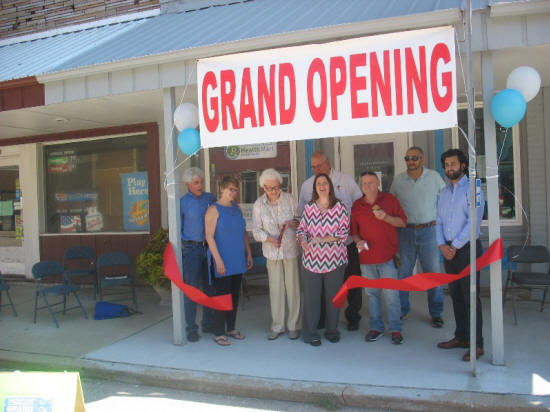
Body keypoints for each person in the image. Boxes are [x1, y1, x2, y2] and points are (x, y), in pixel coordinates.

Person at [298, 151, 362, 331]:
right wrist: (304, 239)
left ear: (328, 163)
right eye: (313, 167)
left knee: (352, 282)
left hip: (346, 244)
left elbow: (359, 206)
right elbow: (302, 215)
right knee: (322, 289)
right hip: (317, 254)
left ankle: (353, 317)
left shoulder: (346, 180)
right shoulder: (307, 186)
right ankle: (322, 320)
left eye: (319, 166)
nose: (316, 170)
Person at [436, 149, 485, 361]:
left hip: (467, 250)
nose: (450, 168)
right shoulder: (444, 192)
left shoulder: (474, 188)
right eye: (447, 164)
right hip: (448, 251)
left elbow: (474, 222)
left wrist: (454, 246)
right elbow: (438, 221)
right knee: (456, 296)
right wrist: (441, 245)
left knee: (470, 297)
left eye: (453, 164)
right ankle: (462, 337)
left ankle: (477, 344)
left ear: (463, 165)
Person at [390, 146, 446, 327]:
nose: (410, 161)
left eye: (414, 158)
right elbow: (391, 206)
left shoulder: (434, 177)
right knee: (403, 274)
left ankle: (436, 313)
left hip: (429, 231)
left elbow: (446, 201)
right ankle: (402, 310)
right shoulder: (398, 180)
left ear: (422, 159)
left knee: (432, 274)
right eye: (407, 158)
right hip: (405, 232)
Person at [351, 172, 407, 344]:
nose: (367, 186)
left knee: (391, 295)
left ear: (378, 184)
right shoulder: (357, 205)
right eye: (364, 183)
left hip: (387, 257)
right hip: (367, 259)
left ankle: (395, 329)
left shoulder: (389, 200)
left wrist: (386, 217)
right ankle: (376, 327)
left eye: (370, 182)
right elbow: (354, 232)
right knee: (372, 295)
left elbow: (403, 222)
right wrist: (358, 242)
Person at [297, 173, 349, 346]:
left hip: (335, 260)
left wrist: (322, 239)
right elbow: (301, 229)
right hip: (311, 260)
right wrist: (303, 240)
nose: (322, 186)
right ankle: (310, 333)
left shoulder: (339, 207)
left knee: (333, 298)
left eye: (324, 183)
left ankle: (332, 330)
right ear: (315, 187)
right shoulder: (309, 207)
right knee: (311, 299)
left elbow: (343, 233)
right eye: (318, 183)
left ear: (330, 186)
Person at [252, 169, 301, 340]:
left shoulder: (290, 199)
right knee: (276, 289)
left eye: (276, 187)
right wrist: (270, 239)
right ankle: (277, 325)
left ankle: (294, 325)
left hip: (290, 249)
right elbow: (256, 231)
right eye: (269, 188)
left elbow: (301, 221)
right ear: (263, 187)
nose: (273, 191)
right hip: (272, 252)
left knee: (293, 288)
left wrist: (293, 223)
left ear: (280, 185)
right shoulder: (259, 204)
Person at [205, 175, 253, 346]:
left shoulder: (237, 208)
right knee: (221, 296)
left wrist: (248, 253)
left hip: (237, 258)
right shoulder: (213, 210)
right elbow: (209, 237)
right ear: (222, 189)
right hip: (222, 259)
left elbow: (243, 231)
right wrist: (218, 260)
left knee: (234, 295)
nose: (234, 193)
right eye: (231, 189)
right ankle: (219, 332)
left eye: (236, 190)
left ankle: (231, 328)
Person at [180, 167, 215, 343]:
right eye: (196, 183)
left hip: (209, 249)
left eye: (201, 182)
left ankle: (207, 323)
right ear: (188, 184)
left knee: (209, 288)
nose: (200, 185)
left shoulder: (210, 198)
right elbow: (177, 228)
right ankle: (191, 328)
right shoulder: (182, 202)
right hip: (192, 250)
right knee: (191, 290)